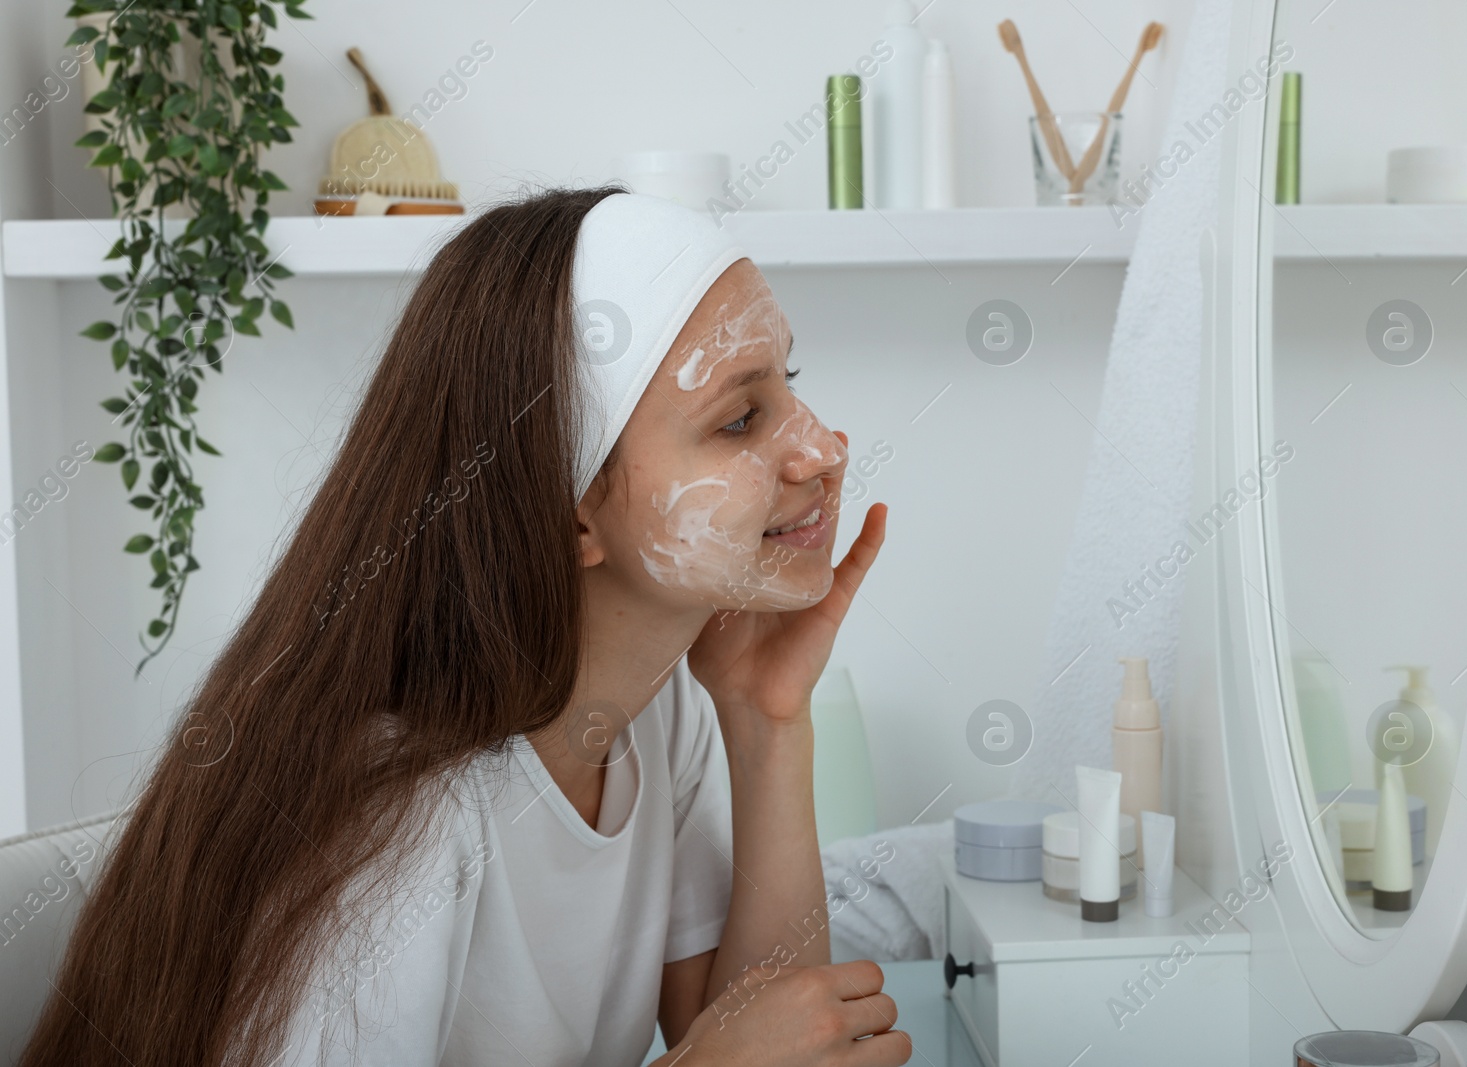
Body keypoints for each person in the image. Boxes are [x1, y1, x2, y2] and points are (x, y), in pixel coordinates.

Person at [20, 187, 907, 1067]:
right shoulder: (401, 812)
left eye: (788, 384)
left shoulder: (659, 713)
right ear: (569, 517)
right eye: (741, 417)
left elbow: (775, 1031)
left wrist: (765, 719)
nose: (823, 449)